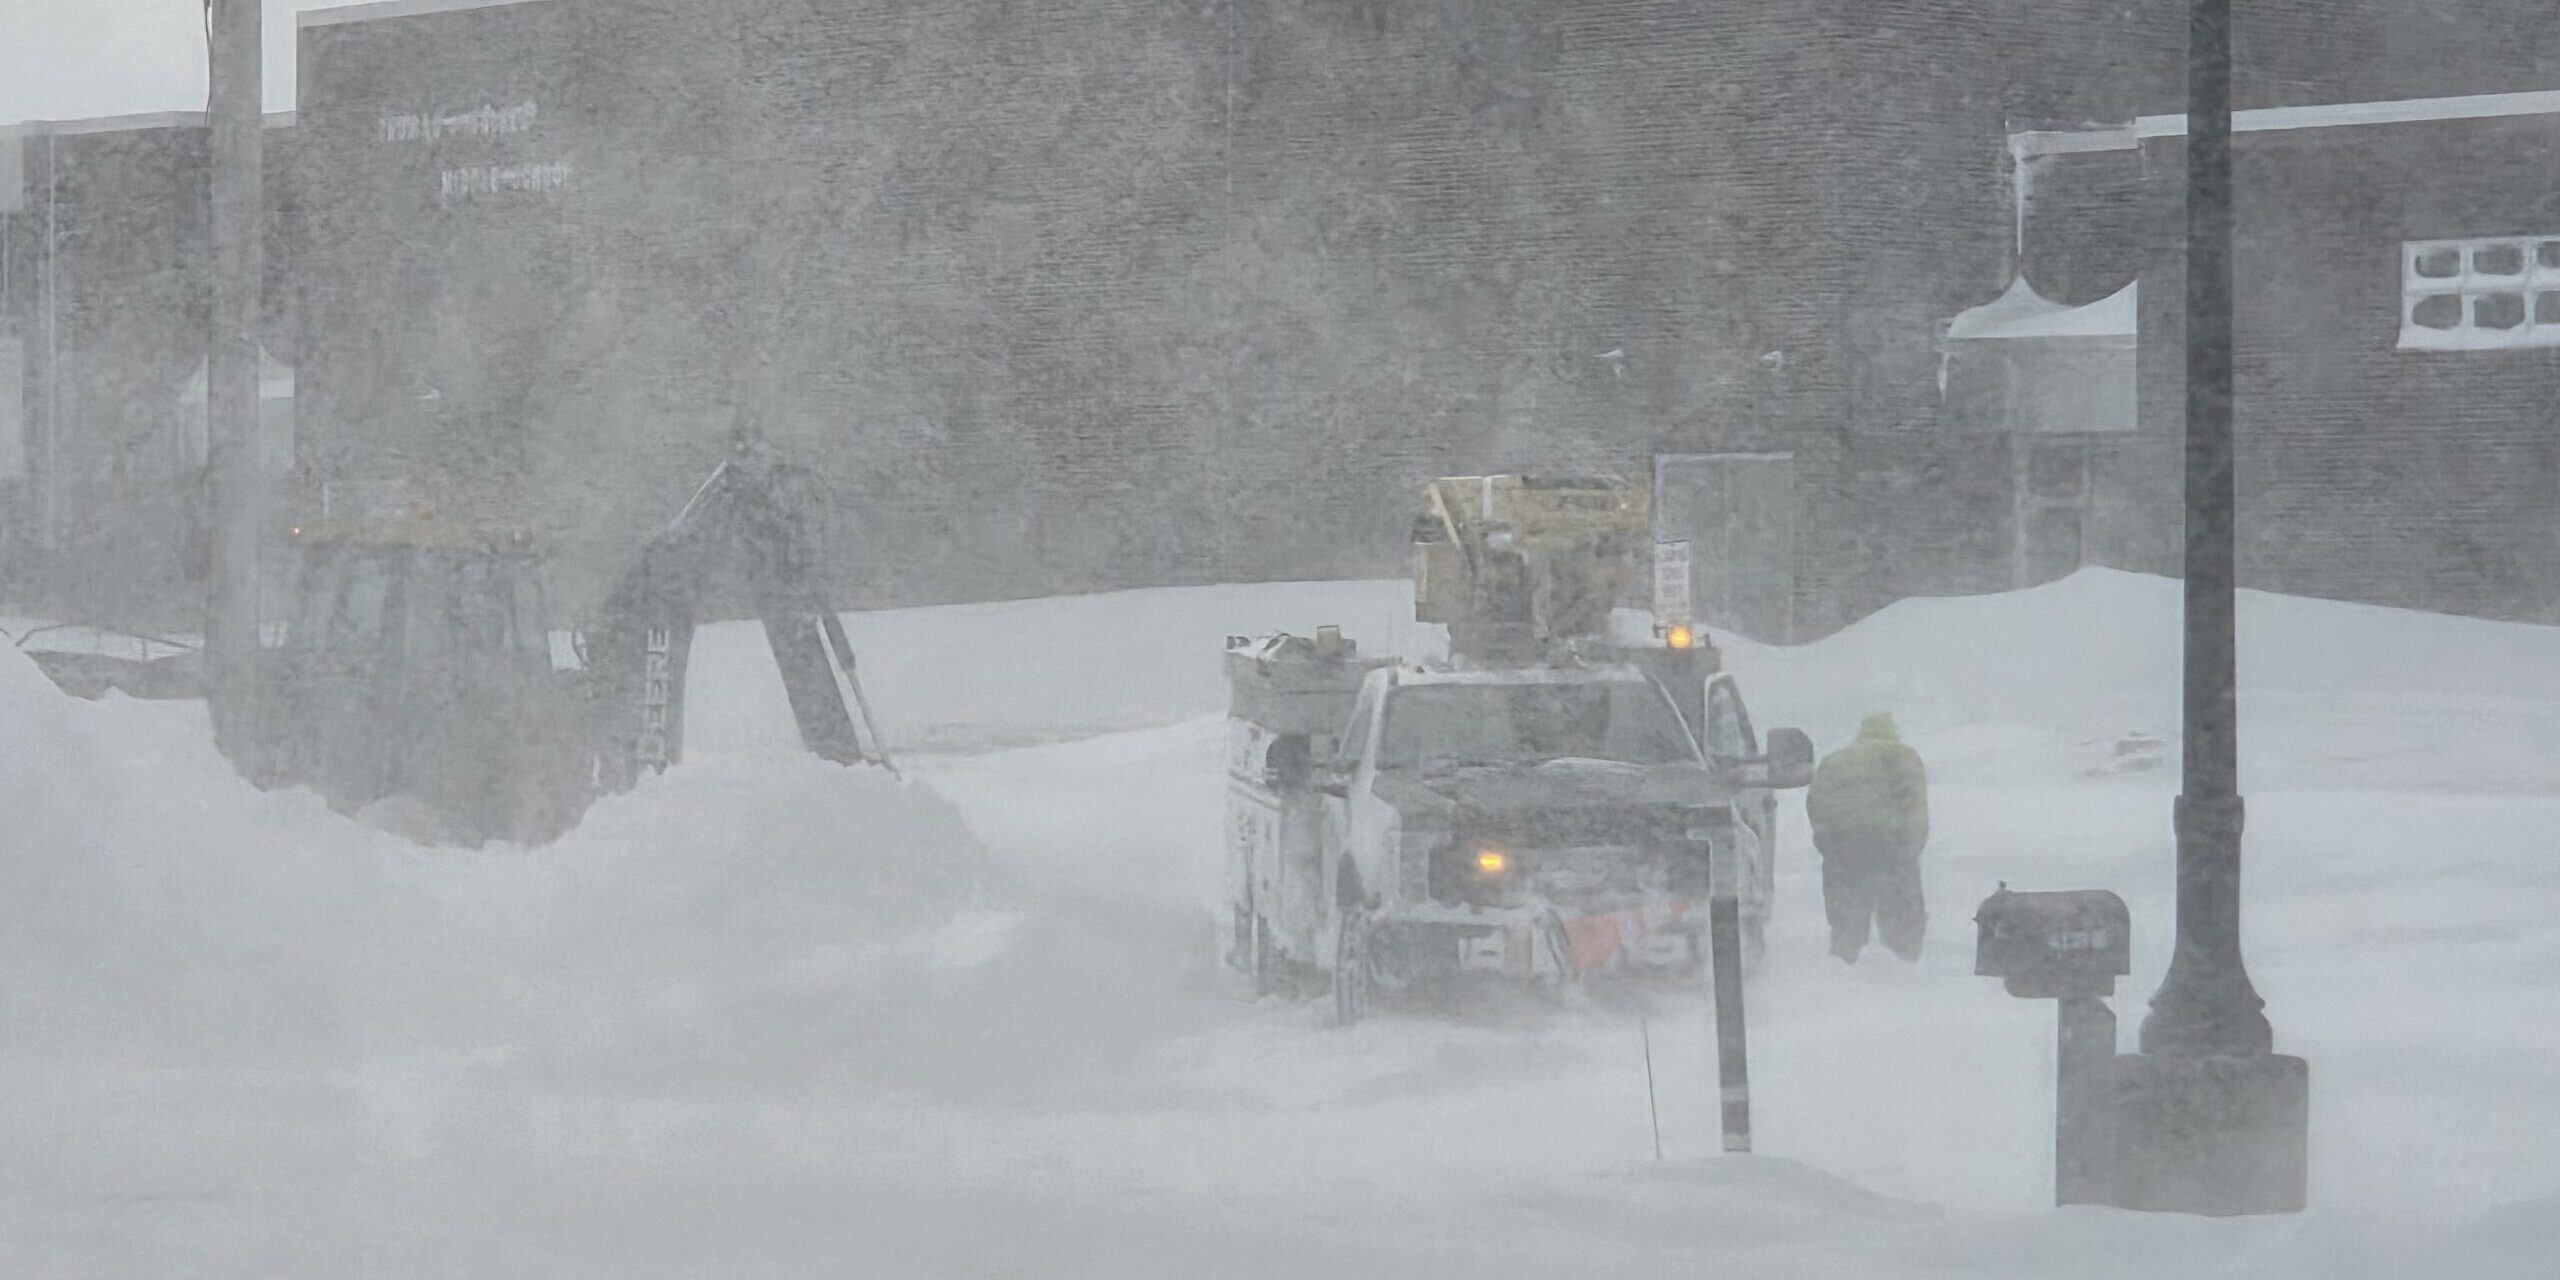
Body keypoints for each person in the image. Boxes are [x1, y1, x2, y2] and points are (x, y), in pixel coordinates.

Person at [1805, 712, 1930, 963]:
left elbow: (1816, 802)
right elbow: (1914, 803)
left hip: (1843, 840)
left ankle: (1845, 959)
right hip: (1889, 837)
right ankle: (1903, 964)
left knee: (1847, 905)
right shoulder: (1902, 755)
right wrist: (1912, 846)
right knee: (1900, 911)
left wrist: (1828, 842)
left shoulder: (1834, 760)